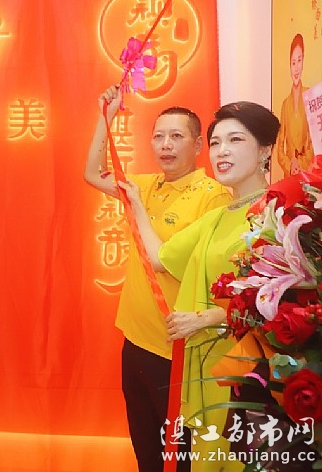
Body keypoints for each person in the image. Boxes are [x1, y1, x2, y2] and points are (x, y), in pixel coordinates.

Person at [121, 101, 280, 471]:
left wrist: (209, 317)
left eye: (235, 140)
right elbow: (159, 258)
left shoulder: (278, 214)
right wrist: (137, 204)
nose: (222, 151)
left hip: (251, 377)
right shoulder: (217, 217)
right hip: (206, 373)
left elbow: (287, 302)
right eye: (216, 142)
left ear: (265, 150)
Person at [84, 85, 231, 472]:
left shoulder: (213, 196)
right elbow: (92, 173)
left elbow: (167, 261)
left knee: (177, 458)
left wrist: (136, 206)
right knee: (146, 452)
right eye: (159, 136)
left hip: (177, 350)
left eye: (176, 136)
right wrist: (105, 117)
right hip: (135, 340)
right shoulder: (146, 185)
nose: (166, 145)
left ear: (198, 145)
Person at [276, 33, 312, 177]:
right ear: (289, 66)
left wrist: (300, 164)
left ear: (303, 62)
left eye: (299, 60)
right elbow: (279, 147)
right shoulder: (285, 104)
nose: (296, 68)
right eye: (293, 63)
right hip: (289, 174)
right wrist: (290, 165)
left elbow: (315, 141)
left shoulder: (310, 96)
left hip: (307, 173)